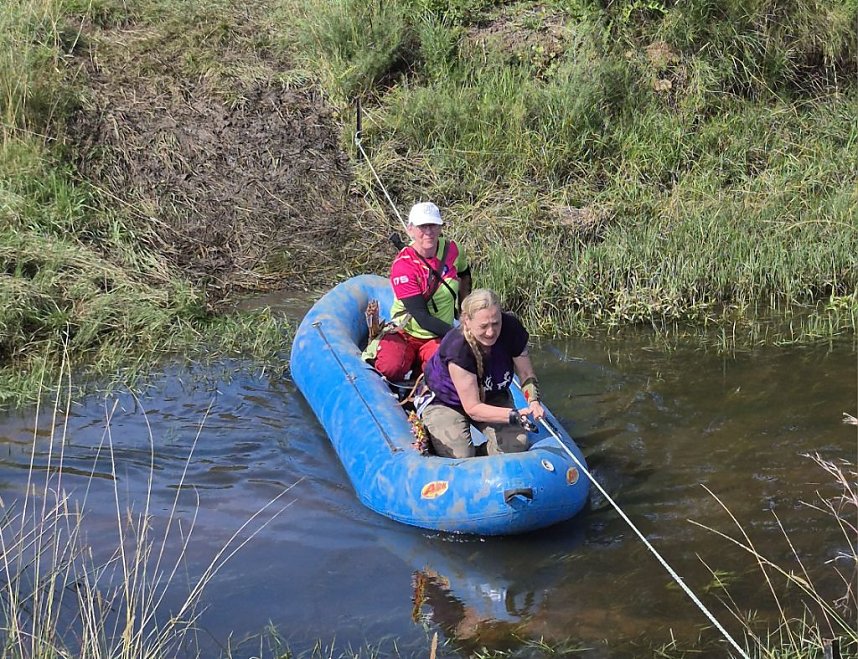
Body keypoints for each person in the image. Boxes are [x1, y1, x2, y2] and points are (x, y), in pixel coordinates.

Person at [420, 289, 544, 458]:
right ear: (467, 321)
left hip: (493, 394)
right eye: (483, 326)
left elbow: (525, 372)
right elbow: (473, 408)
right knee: (461, 454)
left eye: (496, 323)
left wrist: (533, 401)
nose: (491, 332)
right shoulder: (457, 348)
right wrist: (512, 415)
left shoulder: (511, 329)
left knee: (517, 444)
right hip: (446, 401)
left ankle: (484, 455)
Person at [373, 201, 471, 382]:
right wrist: (461, 335)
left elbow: (465, 274)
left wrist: (465, 310)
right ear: (410, 229)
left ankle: (423, 371)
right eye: (422, 226)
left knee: (445, 373)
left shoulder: (453, 250)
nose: (428, 231)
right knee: (391, 368)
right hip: (407, 333)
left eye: (433, 225)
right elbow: (422, 317)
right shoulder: (403, 266)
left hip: (438, 336)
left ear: (440, 227)